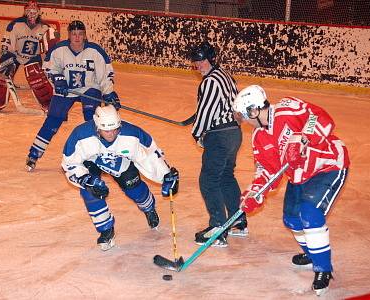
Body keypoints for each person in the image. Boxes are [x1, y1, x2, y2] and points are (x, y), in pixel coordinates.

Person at [233, 85, 349, 296]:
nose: (244, 121)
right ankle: (314, 253)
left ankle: (323, 268)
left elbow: (319, 116)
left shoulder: (287, 108)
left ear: (254, 110)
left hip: (328, 165)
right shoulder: (259, 137)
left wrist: (304, 139)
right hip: (301, 175)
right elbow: (267, 170)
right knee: (292, 220)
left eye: (244, 115)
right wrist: (254, 193)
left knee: (310, 213)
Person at [61, 105, 179, 251]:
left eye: (115, 129)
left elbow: (150, 154)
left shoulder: (132, 134)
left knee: (134, 189)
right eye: (106, 130)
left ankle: (148, 207)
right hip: (91, 161)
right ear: (97, 127)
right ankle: (106, 230)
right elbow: (69, 162)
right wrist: (84, 179)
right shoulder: (81, 134)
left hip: (120, 160)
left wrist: (165, 174)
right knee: (90, 191)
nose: (111, 134)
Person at [25, 20, 120, 171]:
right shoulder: (59, 49)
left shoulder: (95, 51)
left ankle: (96, 155)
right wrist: (57, 79)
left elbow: (105, 74)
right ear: (69, 35)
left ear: (85, 35)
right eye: (74, 34)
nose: (77, 37)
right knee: (53, 120)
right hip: (65, 89)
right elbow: (48, 68)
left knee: (92, 119)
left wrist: (109, 93)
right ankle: (34, 154)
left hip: (90, 88)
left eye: (80, 34)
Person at [189, 41, 248, 248]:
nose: (199, 64)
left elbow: (206, 113)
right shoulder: (225, 75)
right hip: (234, 134)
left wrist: (197, 133)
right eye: (196, 61)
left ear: (211, 59)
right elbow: (226, 104)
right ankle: (238, 220)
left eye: (202, 60)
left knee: (208, 179)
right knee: (225, 176)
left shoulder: (209, 82)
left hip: (219, 136)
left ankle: (218, 228)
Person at [0, 0, 59, 112]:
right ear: (24, 11)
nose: (32, 14)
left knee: (35, 73)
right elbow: (7, 45)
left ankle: (49, 103)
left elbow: (51, 49)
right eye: (29, 11)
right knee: (1, 70)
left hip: (34, 57)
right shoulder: (15, 24)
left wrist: (48, 63)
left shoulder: (46, 28)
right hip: (16, 55)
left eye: (34, 11)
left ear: (39, 12)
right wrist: (5, 60)